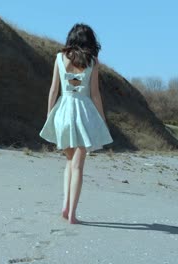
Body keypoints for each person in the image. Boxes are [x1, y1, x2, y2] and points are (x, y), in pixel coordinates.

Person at [39, 23, 113, 224]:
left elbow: (54, 91)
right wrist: (103, 119)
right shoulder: (92, 62)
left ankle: (65, 207)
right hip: (83, 114)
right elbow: (95, 93)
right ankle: (72, 214)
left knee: (69, 163)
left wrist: (49, 116)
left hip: (63, 112)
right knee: (78, 166)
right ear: (89, 41)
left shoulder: (59, 58)